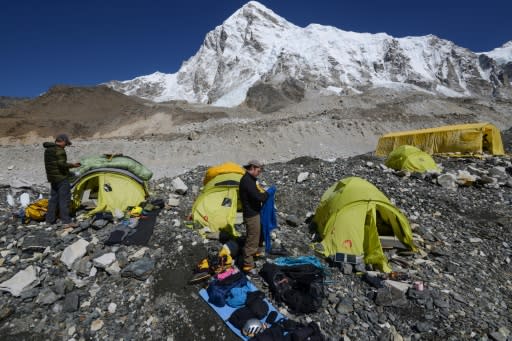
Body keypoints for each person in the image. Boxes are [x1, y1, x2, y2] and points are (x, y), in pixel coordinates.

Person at [43, 134, 81, 227]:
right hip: (61, 178)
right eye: (66, 144)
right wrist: (73, 165)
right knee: (64, 200)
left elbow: (53, 165)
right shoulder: (59, 150)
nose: (66, 146)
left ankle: (49, 220)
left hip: (53, 178)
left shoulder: (48, 149)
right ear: (63, 141)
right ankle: (67, 221)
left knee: (53, 199)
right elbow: (61, 164)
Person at [239, 159, 268, 273]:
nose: (259, 173)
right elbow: (259, 197)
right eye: (258, 170)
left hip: (254, 212)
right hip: (251, 215)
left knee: (258, 234)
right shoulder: (247, 181)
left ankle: (256, 252)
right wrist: (267, 193)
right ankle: (248, 265)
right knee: (252, 238)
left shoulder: (250, 179)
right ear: (252, 168)